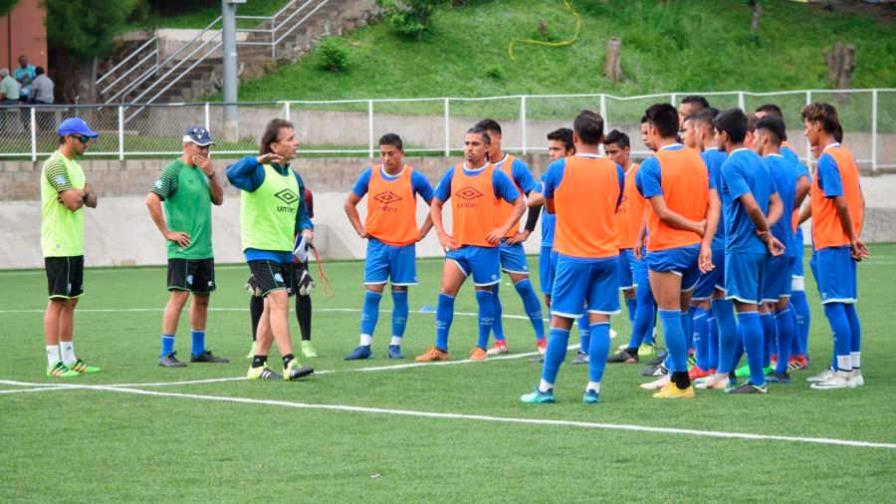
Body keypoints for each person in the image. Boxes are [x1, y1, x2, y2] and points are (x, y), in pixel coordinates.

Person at [520, 110, 624, 405]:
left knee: (561, 321)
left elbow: (550, 207)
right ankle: (593, 388)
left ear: (575, 138)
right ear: (602, 138)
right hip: (607, 255)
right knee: (600, 320)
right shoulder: (614, 170)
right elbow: (614, 205)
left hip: (573, 254)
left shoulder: (558, 169)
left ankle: (545, 388)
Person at [415, 127, 525, 362]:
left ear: (486, 148)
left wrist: (503, 229)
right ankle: (440, 349)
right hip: (459, 248)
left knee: (484, 297)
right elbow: (435, 204)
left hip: (485, 250)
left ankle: (480, 347)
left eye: (475, 144)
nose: (469, 148)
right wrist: (442, 234)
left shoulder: (495, 175)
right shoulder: (453, 173)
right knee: (445, 293)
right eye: (466, 143)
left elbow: (520, 203)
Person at [227, 118, 315, 381]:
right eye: (290, 139)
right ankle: (290, 362)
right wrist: (257, 160)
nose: (296, 142)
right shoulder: (257, 173)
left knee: (270, 306)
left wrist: (307, 228)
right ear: (274, 146)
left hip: (284, 251)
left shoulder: (295, 178)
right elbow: (232, 174)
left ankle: (257, 364)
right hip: (259, 249)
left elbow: (301, 214)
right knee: (278, 301)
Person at [636, 103, 710, 399]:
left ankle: (680, 381)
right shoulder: (696, 158)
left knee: (669, 315)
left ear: (654, 130)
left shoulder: (652, 164)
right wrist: (700, 232)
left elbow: (662, 213)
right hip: (693, 247)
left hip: (668, 247)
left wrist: (692, 225)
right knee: (682, 313)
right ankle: (681, 373)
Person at [711, 108, 785, 394]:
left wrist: (764, 231)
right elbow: (776, 204)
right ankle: (751, 374)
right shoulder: (760, 162)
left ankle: (757, 380)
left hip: (741, 247)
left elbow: (752, 205)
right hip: (757, 248)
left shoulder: (730, 165)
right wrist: (767, 233)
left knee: (746, 311)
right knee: (752, 308)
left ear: (724, 135)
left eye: (717, 133)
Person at [343, 133, 434, 360]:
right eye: (382, 154)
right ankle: (364, 345)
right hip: (377, 245)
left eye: (391, 153)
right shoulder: (371, 175)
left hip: (403, 246)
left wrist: (423, 231)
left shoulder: (415, 178)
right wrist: (359, 228)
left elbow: (437, 204)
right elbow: (349, 203)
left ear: (401, 153)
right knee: (372, 295)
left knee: (400, 296)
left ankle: (395, 345)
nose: (386, 158)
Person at [146, 126, 227, 367]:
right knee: (179, 298)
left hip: (204, 249)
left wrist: (212, 175)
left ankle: (198, 351)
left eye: (207, 147)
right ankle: (165, 353)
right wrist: (167, 232)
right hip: (183, 250)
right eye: (200, 146)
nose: (204, 151)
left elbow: (219, 200)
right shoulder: (174, 170)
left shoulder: (204, 171)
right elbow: (152, 200)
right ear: (186, 145)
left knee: (202, 299)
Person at [801, 102, 867, 390]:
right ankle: (850, 369)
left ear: (818, 125)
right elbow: (856, 199)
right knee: (846, 307)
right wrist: (854, 235)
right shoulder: (846, 156)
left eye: (806, 126)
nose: (805, 132)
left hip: (831, 241)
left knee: (834, 307)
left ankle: (843, 372)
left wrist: (851, 236)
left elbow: (839, 201)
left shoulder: (828, 160)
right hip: (841, 241)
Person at [473, 119, 546, 357]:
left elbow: (535, 197)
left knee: (524, 286)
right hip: (484, 241)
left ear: (498, 138)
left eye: (488, 142)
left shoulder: (515, 166)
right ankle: (500, 341)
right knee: (488, 291)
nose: (484, 147)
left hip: (509, 240)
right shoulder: (475, 170)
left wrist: (527, 231)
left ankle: (542, 339)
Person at [41, 118, 101, 377]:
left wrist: (81, 193)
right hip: (58, 243)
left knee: (71, 301)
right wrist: (81, 194)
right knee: (57, 301)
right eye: (83, 138)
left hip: (74, 244)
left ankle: (69, 356)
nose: (87, 143)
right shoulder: (55, 165)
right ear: (68, 138)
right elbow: (74, 202)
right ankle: (53, 362)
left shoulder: (75, 167)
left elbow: (92, 200)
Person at [753, 115, 810, 383]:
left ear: (764, 138)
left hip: (770, 243)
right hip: (789, 241)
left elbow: (762, 205)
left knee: (762, 304)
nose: (752, 140)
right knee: (782, 304)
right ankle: (782, 366)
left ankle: (764, 364)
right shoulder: (790, 167)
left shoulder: (764, 167)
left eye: (754, 136)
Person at [539, 128, 591, 365]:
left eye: (556, 149)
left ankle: (586, 347)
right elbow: (537, 203)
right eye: (549, 149)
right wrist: (527, 230)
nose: (551, 154)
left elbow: (537, 199)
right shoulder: (550, 174)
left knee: (579, 298)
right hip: (547, 244)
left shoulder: (574, 176)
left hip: (568, 245)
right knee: (550, 297)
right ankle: (552, 348)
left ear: (571, 150)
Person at [247, 187, 317, 359]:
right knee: (259, 293)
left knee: (303, 290)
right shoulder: (261, 190)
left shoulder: (304, 193)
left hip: (294, 251)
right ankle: (256, 344)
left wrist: (306, 235)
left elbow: (304, 220)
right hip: (267, 250)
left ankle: (306, 342)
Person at [605, 130, 655, 364]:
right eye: (607, 152)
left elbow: (649, 207)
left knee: (643, 293)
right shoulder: (609, 177)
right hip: (617, 245)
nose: (610, 156)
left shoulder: (639, 173)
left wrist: (641, 237)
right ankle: (636, 340)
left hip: (638, 246)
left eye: (614, 152)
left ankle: (647, 340)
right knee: (628, 293)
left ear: (626, 150)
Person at [0, 68, 20, 132]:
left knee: (1, 109)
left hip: (9, 101)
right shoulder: (13, 80)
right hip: (16, 101)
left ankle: (1, 127)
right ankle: (14, 129)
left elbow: (3, 95)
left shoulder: (3, 81)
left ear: (1, 75)